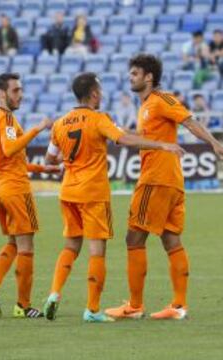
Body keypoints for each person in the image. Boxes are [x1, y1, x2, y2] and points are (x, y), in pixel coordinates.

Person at [43, 72, 185, 323]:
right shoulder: (99, 119)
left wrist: (64, 162)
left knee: (70, 245)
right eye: (100, 91)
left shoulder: (60, 123)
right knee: (97, 249)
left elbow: (50, 159)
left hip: (67, 192)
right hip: (93, 193)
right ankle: (92, 309)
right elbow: (124, 139)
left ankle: (54, 293)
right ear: (94, 94)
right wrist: (161, 145)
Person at [105, 54, 223, 320]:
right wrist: (118, 131)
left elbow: (189, 121)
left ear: (148, 77)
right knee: (171, 239)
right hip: (170, 180)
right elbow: (148, 138)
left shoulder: (162, 100)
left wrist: (214, 143)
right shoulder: (146, 105)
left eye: (134, 73)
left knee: (134, 237)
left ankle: (134, 306)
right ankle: (178, 307)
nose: (130, 77)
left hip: (157, 179)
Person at [0, 73, 60, 319]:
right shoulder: (5, 118)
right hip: (15, 190)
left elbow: (11, 159)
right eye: (16, 90)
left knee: (14, 243)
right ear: (2, 93)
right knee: (26, 247)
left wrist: (42, 168)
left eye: (21, 90)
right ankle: (23, 306)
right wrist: (38, 128)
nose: (21, 95)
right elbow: (10, 148)